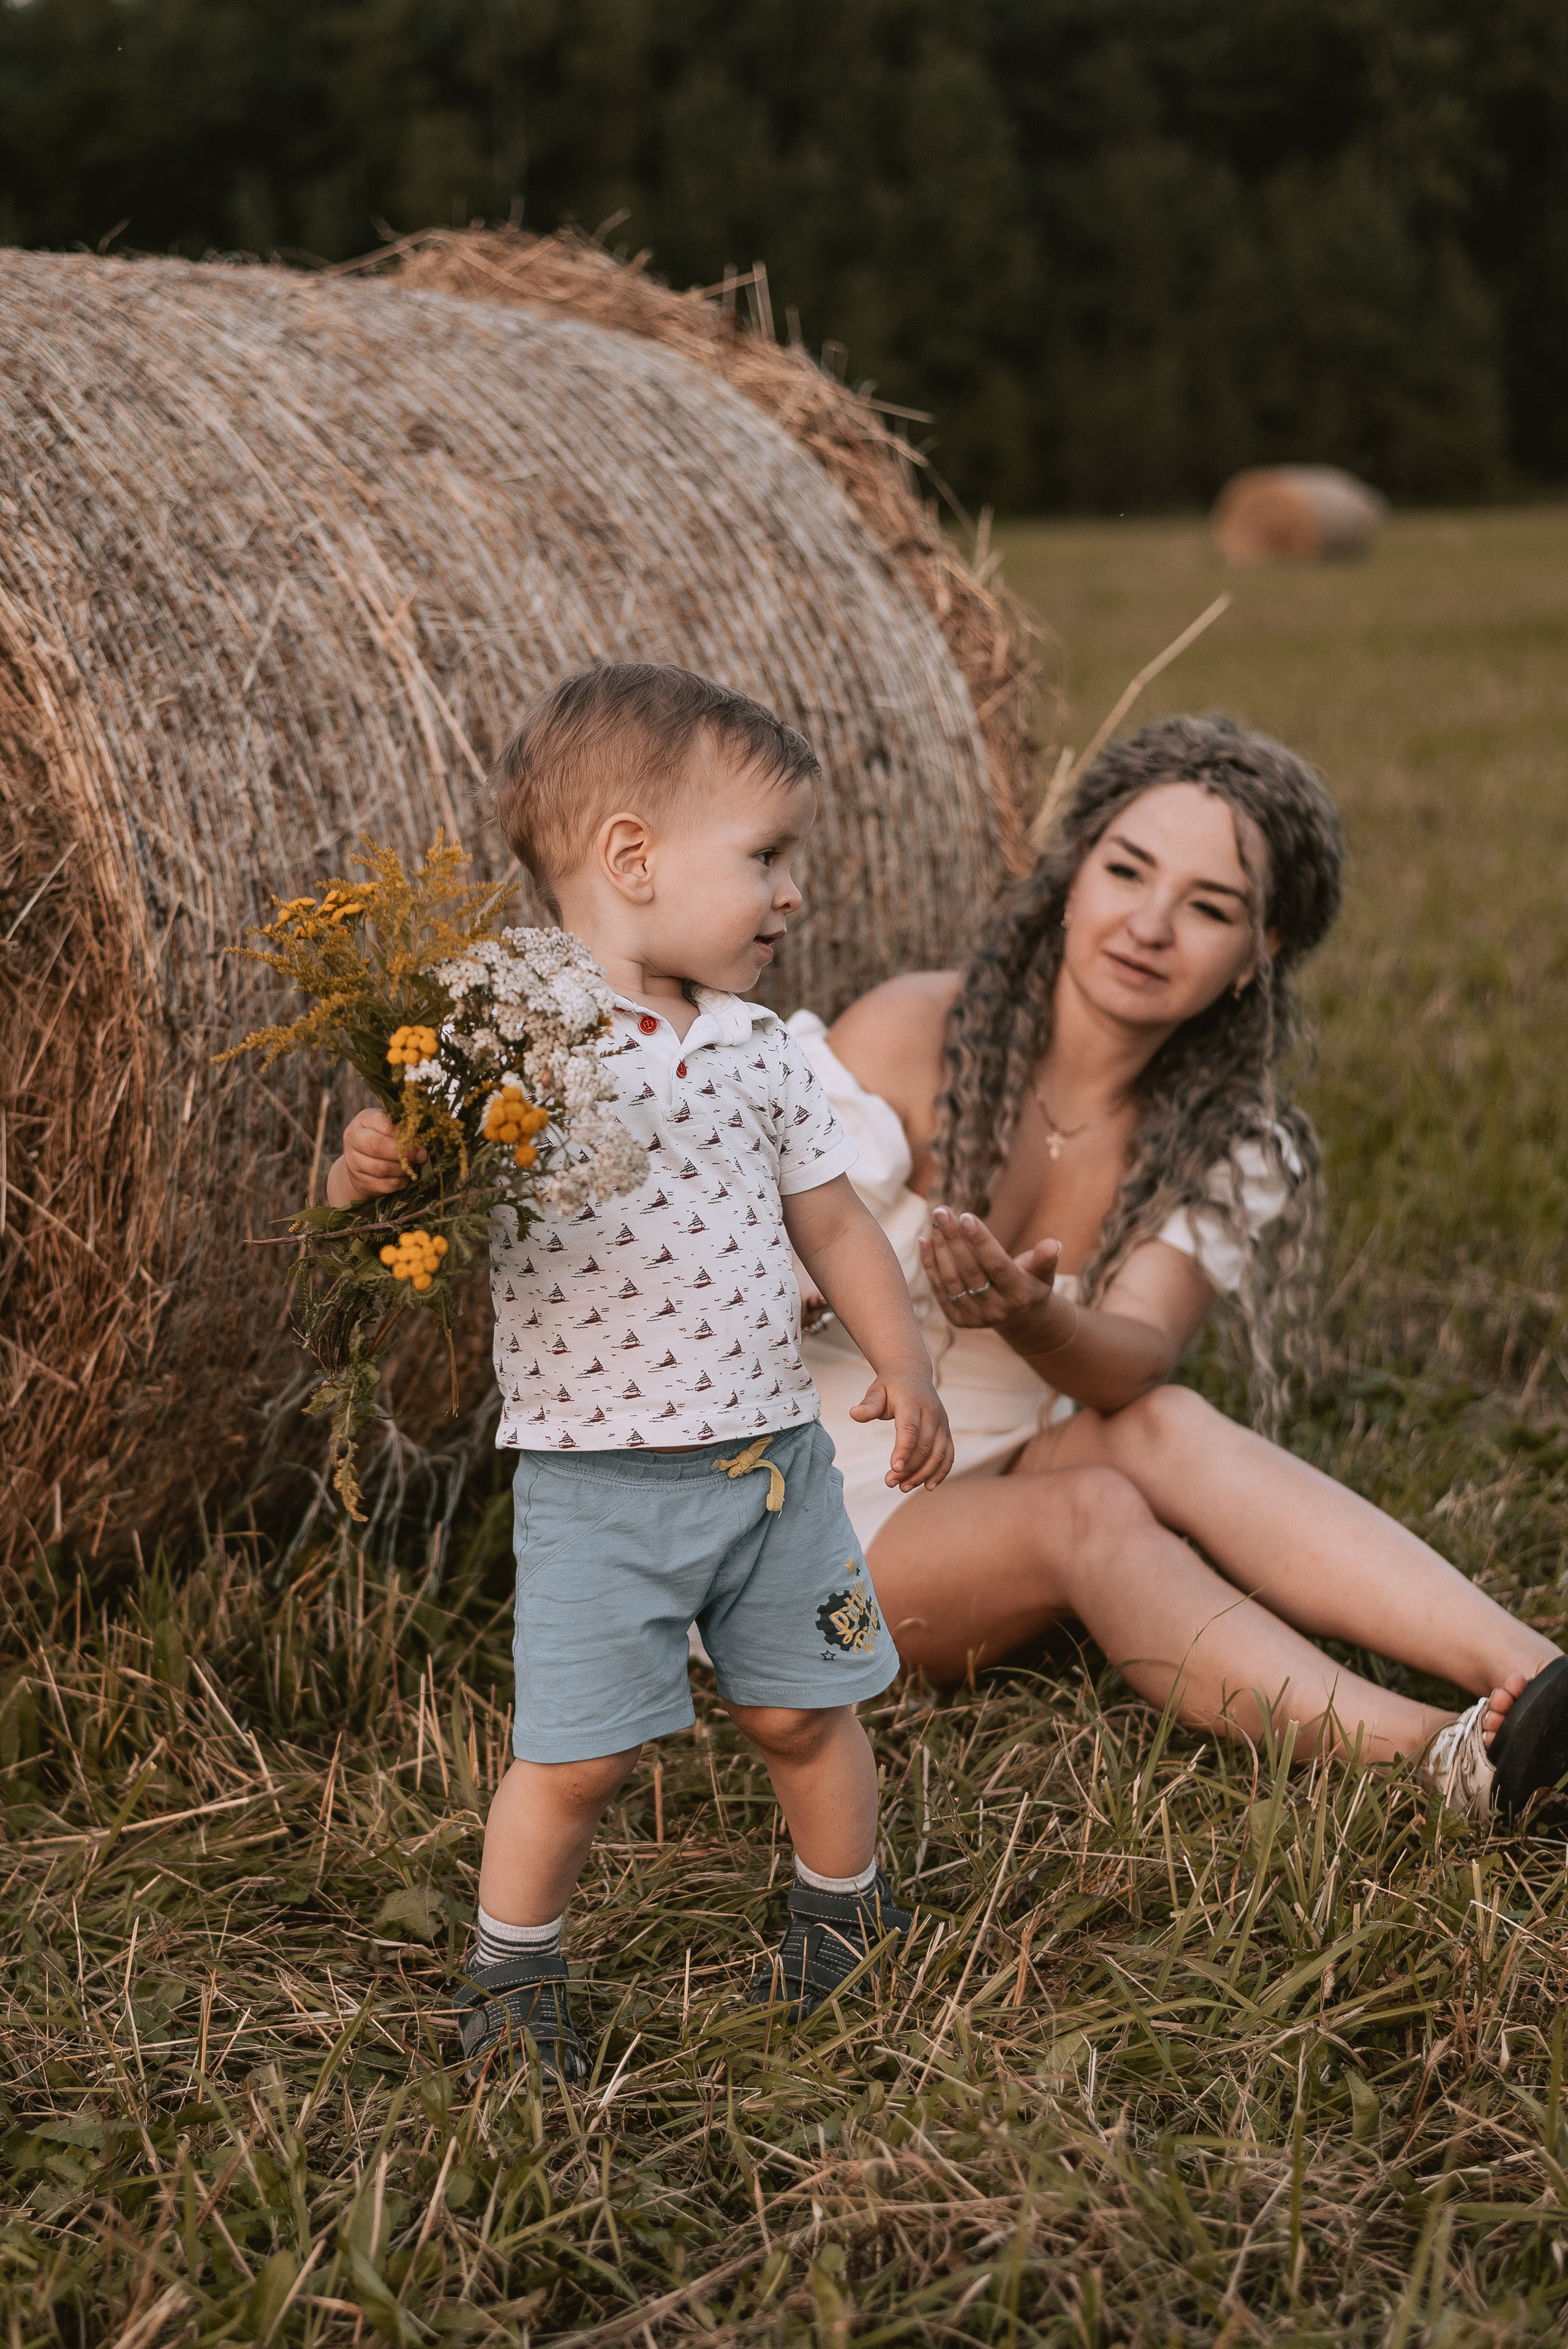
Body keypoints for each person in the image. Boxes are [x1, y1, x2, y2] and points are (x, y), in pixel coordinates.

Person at [325, 664, 954, 2079]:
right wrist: (372, 1158)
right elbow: (394, 1183)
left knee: (804, 1709)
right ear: (631, 857)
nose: (791, 895)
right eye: (766, 859)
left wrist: (903, 1365)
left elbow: (833, 1220)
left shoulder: (765, 1052)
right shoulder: (503, 1023)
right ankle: (513, 1968)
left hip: (773, 1464)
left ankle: (843, 1911)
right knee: (576, 1760)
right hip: (593, 1479)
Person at [786, 716, 1568, 1823]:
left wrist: (1030, 1316)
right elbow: (772, 1243)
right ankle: (1438, 1762)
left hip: (988, 1470)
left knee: (1165, 1422)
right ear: (1071, 875)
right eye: (1126, 871)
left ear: (1263, 953)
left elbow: (1133, 1358)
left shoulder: (1227, 1139)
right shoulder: (914, 1032)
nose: (1149, 925)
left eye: (1209, 908)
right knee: (1091, 1511)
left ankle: (1538, 1678)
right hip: (796, 1516)